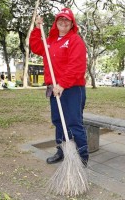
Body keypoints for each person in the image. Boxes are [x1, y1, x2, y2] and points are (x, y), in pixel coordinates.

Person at [30, 8, 89, 166]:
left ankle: (82, 157)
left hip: (72, 89)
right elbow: (35, 47)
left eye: (67, 20)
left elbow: (77, 66)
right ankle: (62, 151)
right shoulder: (50, 41)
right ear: (56, 22)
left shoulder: (75, 40)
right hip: (54, 88)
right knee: (58, 121)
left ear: (72, 24)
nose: (63, 22)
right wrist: (37, 28)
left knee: (74, 122)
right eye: (60, 19)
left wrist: (62, 84)